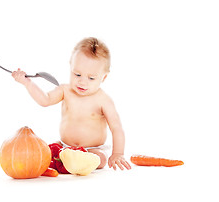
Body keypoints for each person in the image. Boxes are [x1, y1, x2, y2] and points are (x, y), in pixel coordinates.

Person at [12, 37, 131, 170]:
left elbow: (117, 128)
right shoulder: (65, 90)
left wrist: (118, 154)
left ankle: (72, 164)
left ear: (103, 77)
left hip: (91, 150)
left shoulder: (103, 100)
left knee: (101, 159)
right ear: (71, 67)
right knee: (45, 151)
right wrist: (27, 83)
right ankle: (66, 162)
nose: (82, 82)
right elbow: (45, 100)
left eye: (91, 78)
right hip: (64, 146)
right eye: (77, 74)